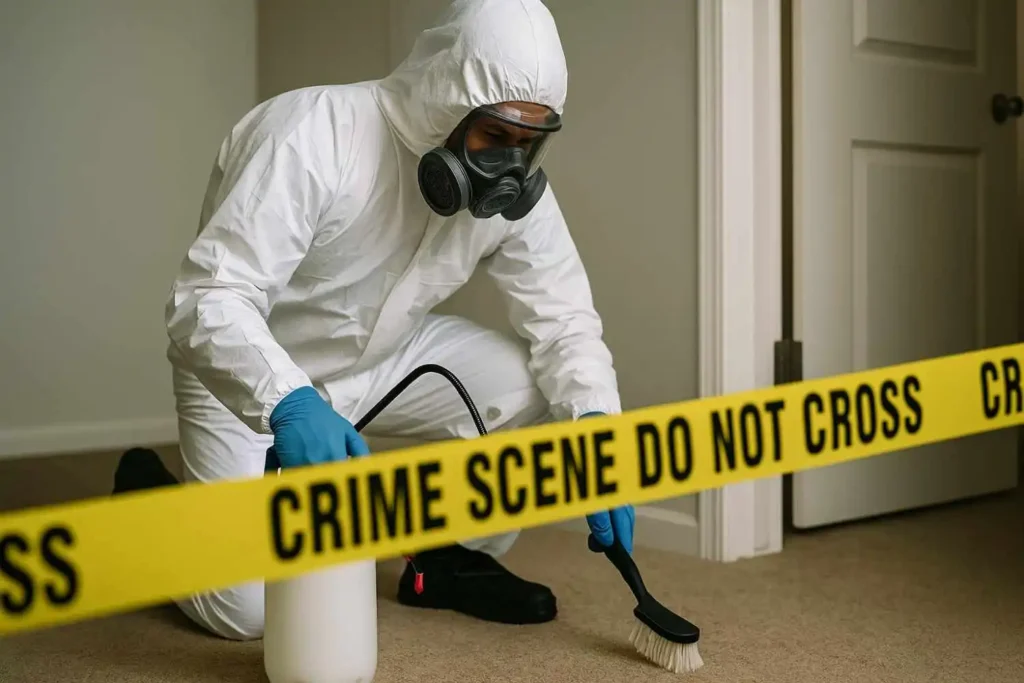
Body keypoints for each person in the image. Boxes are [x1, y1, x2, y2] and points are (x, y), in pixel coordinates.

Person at [113, 0, 634, 641]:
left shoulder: (518, 193)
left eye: (528, 144)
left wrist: (600, 438)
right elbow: (209, 298)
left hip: (385, 359)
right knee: (246, 612)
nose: (510, 166)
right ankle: (153, 507)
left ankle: (438, 555)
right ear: (446, 99)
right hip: (253, 379)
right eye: (495, 138)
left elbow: (565, 323)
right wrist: (288, 402)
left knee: (530, 390)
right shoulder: (311, 132)